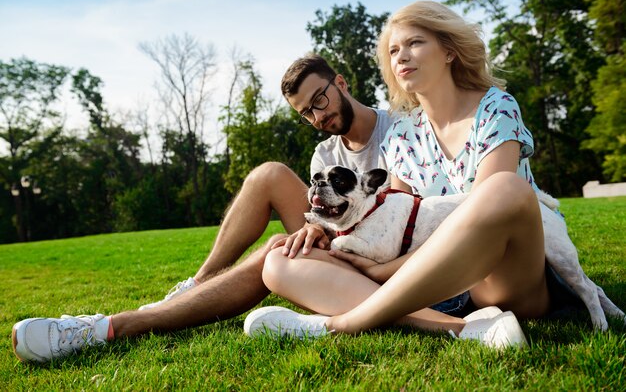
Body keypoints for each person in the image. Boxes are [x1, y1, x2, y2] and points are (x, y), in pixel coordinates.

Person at [11, 54, 397, 363]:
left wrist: (322, 233)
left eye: (319, 101)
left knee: (279, 246)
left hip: (380, 254)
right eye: (306, 114)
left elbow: (399, 219)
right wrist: (317, 226)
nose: (318, 117)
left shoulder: (396, 131)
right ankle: (196, 284)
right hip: (342, 239)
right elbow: (325, 212)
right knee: (269, 175)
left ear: (341, 83)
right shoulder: (325, 153)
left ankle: (113, 327)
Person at [244, 0, 577, 347]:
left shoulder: (495, 108)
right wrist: (331, 238)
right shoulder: (401, 134)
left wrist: (380, 273)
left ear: (449, 51)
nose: (401, 56)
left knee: (503, 190)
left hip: (500, 279)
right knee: (279, 263)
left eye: (415, 43)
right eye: (393, 50)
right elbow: (400, 224)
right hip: (433, 289)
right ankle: (465, 329)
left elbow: (483, 227)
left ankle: (342, 323)